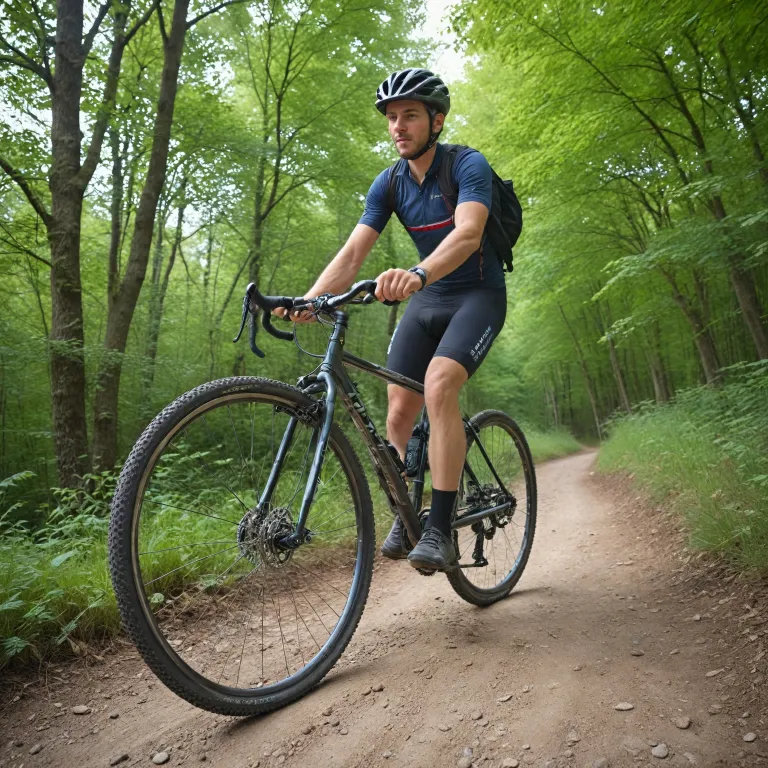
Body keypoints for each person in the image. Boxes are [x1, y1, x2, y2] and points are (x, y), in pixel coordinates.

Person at [276, 68, 507, 571]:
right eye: (392, 118)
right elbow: (354, 252)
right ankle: (408, 514)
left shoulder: (467, 165)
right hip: (428, 298)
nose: (398, 126)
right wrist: (309, 300)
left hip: (477, 295)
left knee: (439, 383)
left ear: (436, 120)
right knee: (399, 410)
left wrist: (418, 273)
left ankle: (441, 531)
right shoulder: (389, 182)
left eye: (410, 116)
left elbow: (469, 234)